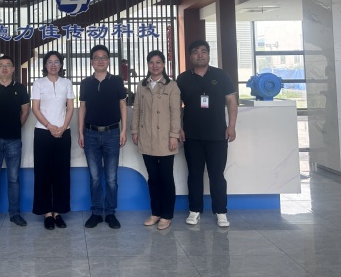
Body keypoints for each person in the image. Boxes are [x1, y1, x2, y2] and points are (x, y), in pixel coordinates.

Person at [177, 39, 237, 228]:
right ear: (190, 56)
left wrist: (232, 126)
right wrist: (178, 127)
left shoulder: (221, 75)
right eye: (195, 52)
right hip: (192, 135)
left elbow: (231, 101)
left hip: (218, 135)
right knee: (194, 175)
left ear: (208, 54)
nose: (200, 55)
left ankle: (221, 212)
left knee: (217, 175)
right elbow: (176, 106)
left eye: (203, 51)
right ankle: (195, 210)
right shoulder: (183, 79)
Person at [131, 50, 181, 230]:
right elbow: (137, 110)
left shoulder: (172, 86)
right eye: (151, 62)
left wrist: (174, 135)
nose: (155, 65)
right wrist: (135, 131)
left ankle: (167, 215)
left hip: (166, 139)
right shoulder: (142, 85)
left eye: (158, 62)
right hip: (147, 138)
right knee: (152, 177)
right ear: (147, 65)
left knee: (166, 177)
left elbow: (176, 113)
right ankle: (156, 213)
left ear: (164, 64)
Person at [78, 45, 127, 229]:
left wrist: (123, 130)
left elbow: (123, 105)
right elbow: (82, 108)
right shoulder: (85, 83)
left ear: (108, 61)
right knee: (95, 177)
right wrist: (80, 132)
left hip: (112, 133)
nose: (100, 60)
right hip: (90, 134)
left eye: (104, 57)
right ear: (91, 61)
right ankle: (97, 213)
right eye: (96, 58)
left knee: (111, 178)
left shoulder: (117, 81)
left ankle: (111, 213)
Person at [0, 55, 30, 229]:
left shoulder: (21, 88)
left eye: (8, 65)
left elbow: (25, 111)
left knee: (14, 178)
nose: (4, 68)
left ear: (13, 69)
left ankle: (15, 214)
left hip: (14, 140)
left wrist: (16, 126)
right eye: (1, 65)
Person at [31, 50, 75, 230]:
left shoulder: (67, 83)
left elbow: (71, 107)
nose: (53, 65)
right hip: (43, 132)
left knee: (61, 173)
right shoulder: (38, 83)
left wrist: (63, 127)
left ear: (61, 65)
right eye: (50, 62)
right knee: (43, 173)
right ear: (45, 65)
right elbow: (35, 108)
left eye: (57, 61)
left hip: (63, 133)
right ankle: (47, 213)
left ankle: (58, 212)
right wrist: (49, 126)